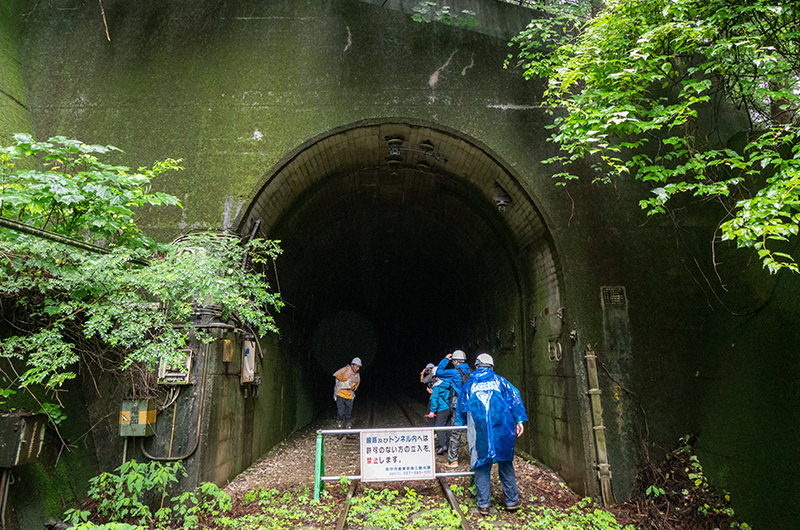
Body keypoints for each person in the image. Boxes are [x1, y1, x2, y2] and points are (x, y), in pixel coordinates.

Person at [455, 353, 527, 516]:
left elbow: (461, 408)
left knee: (481, 465)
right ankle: (511, 501)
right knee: (505, 463)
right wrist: (520, 420)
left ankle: (484, 505)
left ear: (477, 366)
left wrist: (461, 425)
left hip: (480, 432)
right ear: (492, 366)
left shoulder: (469, 385)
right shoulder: (501, 382)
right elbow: (515, 399)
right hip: (501, 430)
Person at [435, 349, 471, 467]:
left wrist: (445, 359)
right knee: (474, 430)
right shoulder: (472, 371)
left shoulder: (454, 372)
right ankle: (478, 459)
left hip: (458, 405)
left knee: (455, 432)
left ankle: (453, 460)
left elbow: (439, 372)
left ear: (455, 361)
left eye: (453, 361)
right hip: (472, 405)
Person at [423, 367, 452, 455]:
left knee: (439, 426)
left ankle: (442, 445)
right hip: (449, 408)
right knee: (447, 426)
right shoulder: (448, 384)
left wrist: (432, 411)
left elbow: (434, 399)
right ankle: (449, 445)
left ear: (436, 376)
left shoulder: (436, 386)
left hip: (442, 408)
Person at [333, 357, 362, 429]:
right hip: (341, 394)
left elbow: (357, 384)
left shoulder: (357, 375)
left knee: (348, 411)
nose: (358, 368)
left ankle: (348, 422)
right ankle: (340, 422)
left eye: (359, 367)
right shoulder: (345, 369)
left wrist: (354, 387)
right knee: (341, 411)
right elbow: (336, 374)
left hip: (349, 396)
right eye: (357, 366)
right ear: (352, 365)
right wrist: (344, 380)